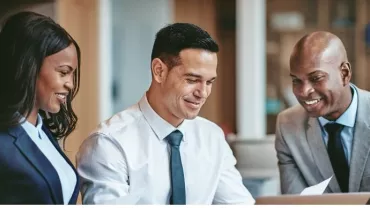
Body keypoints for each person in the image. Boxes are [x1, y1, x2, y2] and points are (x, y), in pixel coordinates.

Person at [76, 23, 254, 205]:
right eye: (192, 80)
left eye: (209, 82)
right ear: (159, 71)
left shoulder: (212, 137)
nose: (203, 93)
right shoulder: (109, 143)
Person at [0, 11, 81, 204]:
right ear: (29, 66)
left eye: (72, 74)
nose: (70, 84)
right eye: (63, 72)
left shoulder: (42, 132)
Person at [275, 31, 370, 194]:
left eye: (316, 78)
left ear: (344, 74)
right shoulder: (288, 126)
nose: (304, 91)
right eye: (296, 80)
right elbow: (295, 202)